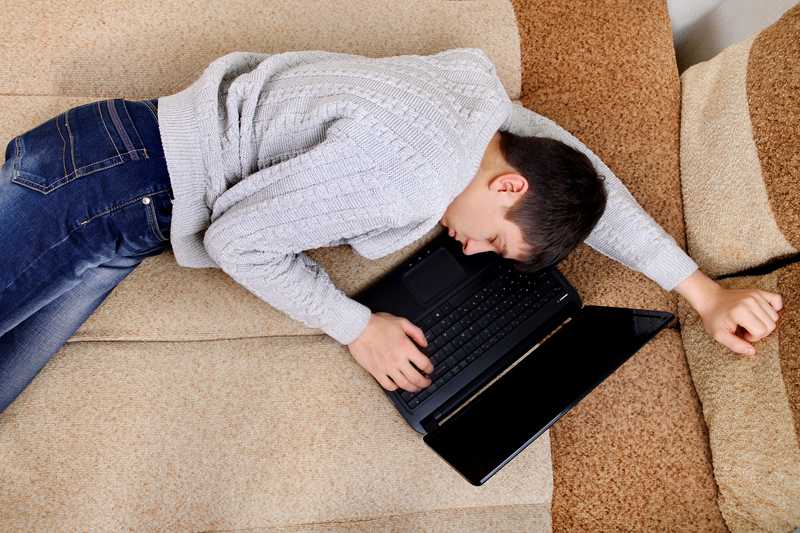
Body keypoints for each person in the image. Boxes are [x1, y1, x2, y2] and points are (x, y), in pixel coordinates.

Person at [0, 49, 782, 412]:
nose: (466, 249)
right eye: (493, 241)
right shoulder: (406, 174)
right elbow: (242, 240)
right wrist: (356, 326)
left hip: (117, 180)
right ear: (509, 183)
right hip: (109, 191)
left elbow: (584, 180)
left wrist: (701, 290)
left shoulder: (474, 99)